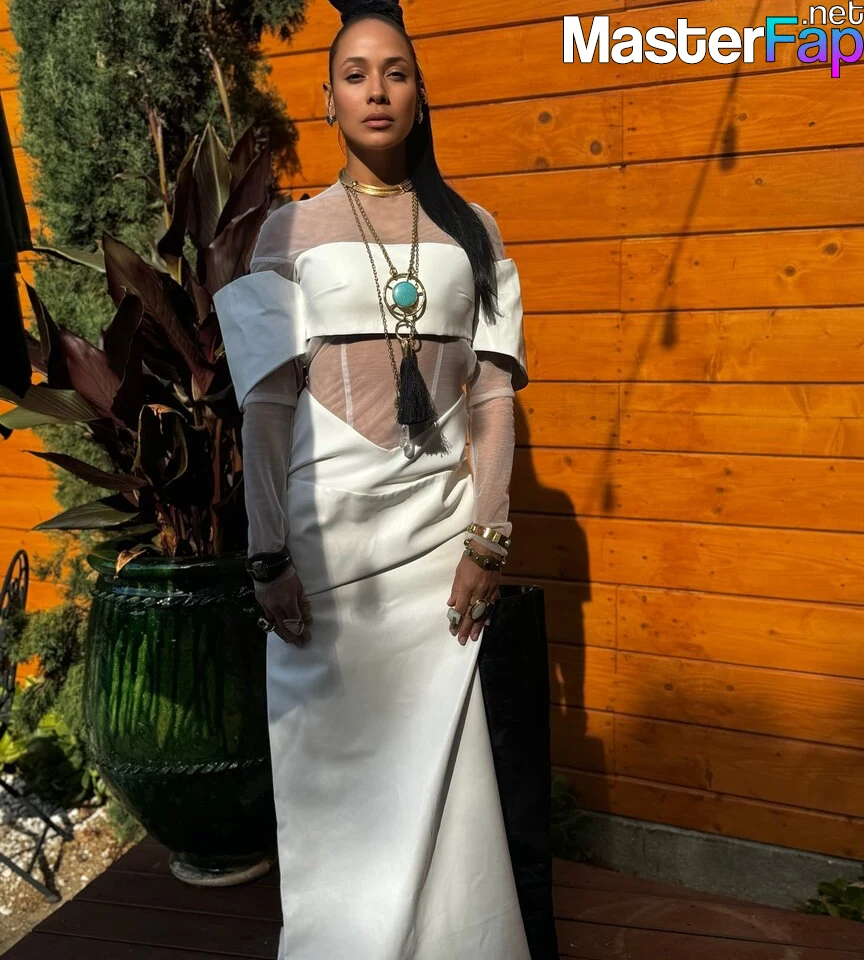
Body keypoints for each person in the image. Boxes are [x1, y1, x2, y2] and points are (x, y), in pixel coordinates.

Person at [213, 1, 531, 956]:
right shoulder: (287, 233)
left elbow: (492, 396)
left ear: (420, 93)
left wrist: (489, 537)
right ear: (328, 99)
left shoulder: (474, 230)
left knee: (449, 782)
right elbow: (268, 406)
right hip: (323, 548)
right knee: (333, 785)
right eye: (355, 74)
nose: (377, 90)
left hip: (439, 544)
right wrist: (267, 552)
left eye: (395, 72)